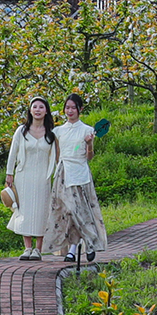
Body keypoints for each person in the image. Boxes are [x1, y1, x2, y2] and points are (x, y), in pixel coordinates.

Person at [47, 93, 109, 263]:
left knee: (80, 211)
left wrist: (89, 144)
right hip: (63, 174)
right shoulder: (58, 131)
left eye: (73, 108)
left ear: (80, 109)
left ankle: (80, 247)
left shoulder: (87, 130)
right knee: (68, 212)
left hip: (80, 174)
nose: (70, 111)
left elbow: (89, 157)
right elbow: (57, 154)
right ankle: (77, 247)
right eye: (67, 107)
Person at [5, 97, 58, 260]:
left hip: (43, 176)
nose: (37, 110)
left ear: (46, 111)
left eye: (41, 107)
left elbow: (57, 156)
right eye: (34, 107)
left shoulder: (52, 133)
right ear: (30, 110)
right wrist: (9, 173)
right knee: (25, 211)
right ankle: (27, 248)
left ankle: (38, 249)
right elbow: (13, 153)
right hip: (24, 176)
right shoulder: (21, 131)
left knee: (42, 210)